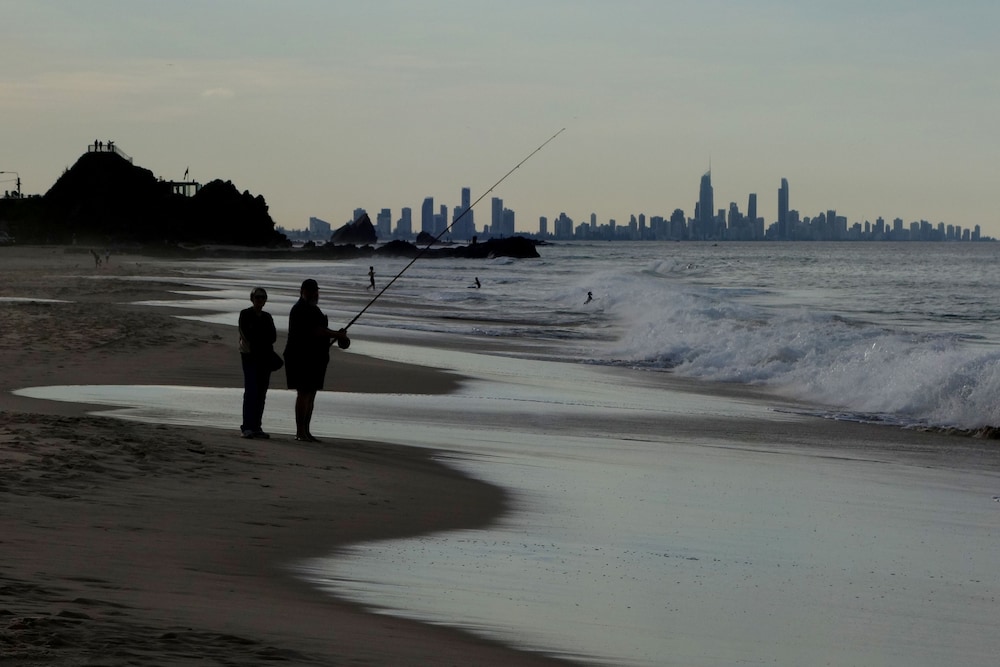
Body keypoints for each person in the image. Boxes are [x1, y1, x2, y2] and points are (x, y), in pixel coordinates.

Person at [283, 279, 350, 442]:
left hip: (315, 357)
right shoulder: (299, 309)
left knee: (311, 393)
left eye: (316, 291)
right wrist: (337, 335)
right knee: (304, 392)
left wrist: (337, 334)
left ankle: (306, 431)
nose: (315, 294)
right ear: (303, 291)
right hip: (300, 357)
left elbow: (322, 329)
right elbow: (315, 331)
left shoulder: (314, 309)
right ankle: (300, 432)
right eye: (311, 291)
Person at [238, 287, 278, 439]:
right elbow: (246, 335)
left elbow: (273, 337)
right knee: (251, 391)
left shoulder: (267, 317)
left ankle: (256, 426)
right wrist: (261, 338)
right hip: (249, 356)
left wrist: (260, 338)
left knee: (261, 392)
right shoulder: (245, 314)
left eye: (263, 297)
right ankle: (247, 427)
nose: (260, 300)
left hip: (265, 357)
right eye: (257, 297)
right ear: (252, 299)